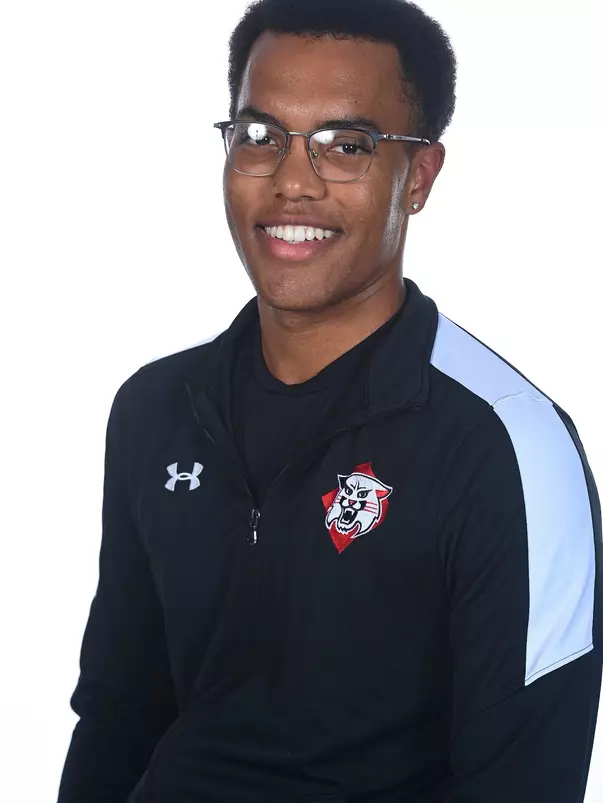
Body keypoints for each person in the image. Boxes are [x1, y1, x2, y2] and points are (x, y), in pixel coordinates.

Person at [57, 1, 602, 801]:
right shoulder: (155, 407)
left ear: (418, 177)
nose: (291, 181)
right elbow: (117, 714)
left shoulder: (507, 443)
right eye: (259, 135)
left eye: (346, 146)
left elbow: (525, 781)